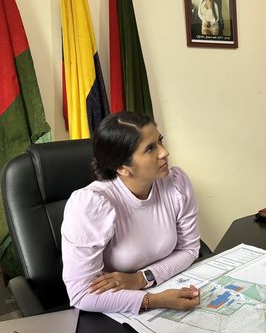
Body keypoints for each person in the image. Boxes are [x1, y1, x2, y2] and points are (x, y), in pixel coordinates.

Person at [62, 112, 202, 315]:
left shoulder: (176, 183)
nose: (164, 152)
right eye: (150, 148)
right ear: (122, 167)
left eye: (160, 140)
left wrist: (141, 279)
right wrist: (153, 300)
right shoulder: (91, 205)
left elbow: (189, 249)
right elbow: (81, 294)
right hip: (115, 308)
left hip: (167, 286)